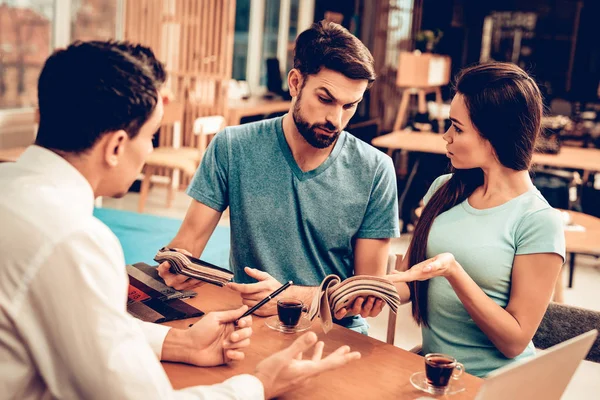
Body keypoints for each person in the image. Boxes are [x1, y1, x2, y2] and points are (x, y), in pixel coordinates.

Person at [0, 40, 360, 399]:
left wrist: (181, 343)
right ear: (115, 147)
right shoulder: (73, 240)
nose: (152, 149)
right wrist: (260, 384)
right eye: (151, 136)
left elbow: (85, 326)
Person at [158, 20, 400, 334]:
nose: (336, 120)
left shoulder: (375, 169)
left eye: (349, 106)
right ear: (296, 83)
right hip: (249, 322)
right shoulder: (233, 147)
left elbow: (368, 297)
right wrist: (176, 264)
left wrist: (293, 297)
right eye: (325, 99)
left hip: (333, 331)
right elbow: (186, 244)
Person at [387, 62, 566, 377]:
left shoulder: (538, 221)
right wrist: (364, 292)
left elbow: (513, 341)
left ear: (494, 136)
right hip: (437, 377)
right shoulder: (443, 190)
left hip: (497, 386)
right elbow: (412, 283)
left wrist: (454, 273)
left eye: (457, 127)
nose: (446, 136)